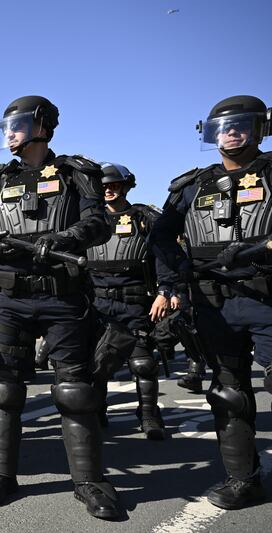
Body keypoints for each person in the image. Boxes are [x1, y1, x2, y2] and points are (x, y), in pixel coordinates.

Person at [0, 96, 120, 519]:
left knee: (75, 390)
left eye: (18, 124)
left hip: (61, 294)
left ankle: (89, 481)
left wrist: (62, 239)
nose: (9, 132)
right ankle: (0, 474)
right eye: (6, 125)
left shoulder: (76, 174)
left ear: (43, 126)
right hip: (7, 297)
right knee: (3, 388)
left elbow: (99, 222)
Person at [149, 95, 272, 510]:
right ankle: (244, 481)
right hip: (213, 301)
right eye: (223, 127)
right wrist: (174, 277)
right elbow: (161, 236)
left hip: (266, 295)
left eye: (241, 125)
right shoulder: (193, 185)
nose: (231, 133)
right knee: (228, 393)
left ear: (260, 129)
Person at [86, 162, 165, 438]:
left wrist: (165, 292)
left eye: (114, 185)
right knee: (97, 363)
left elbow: (164, 256)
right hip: (97, 300)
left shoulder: (144, 217)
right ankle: (97, 412)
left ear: (126, 186)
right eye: (103, 186)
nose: (108, 190)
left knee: (143, 363)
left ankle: (148, 415)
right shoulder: (87, 221)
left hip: (134, 300)